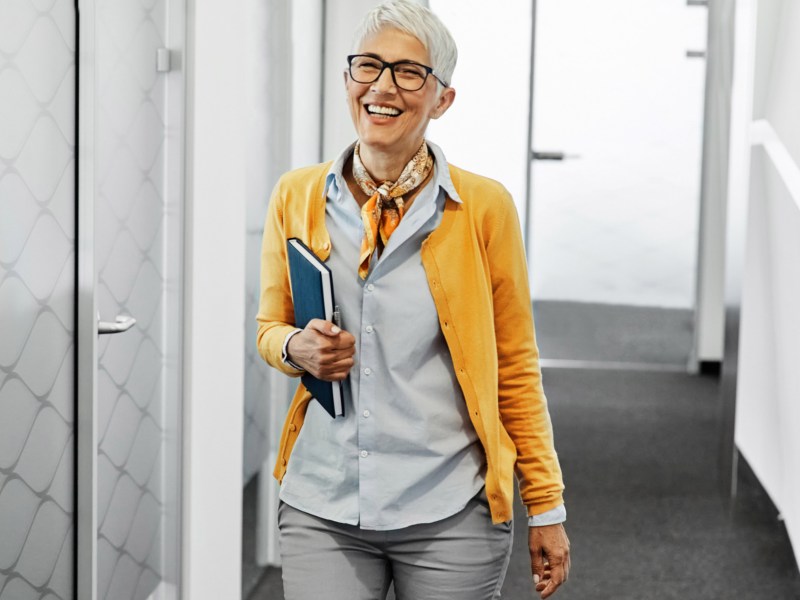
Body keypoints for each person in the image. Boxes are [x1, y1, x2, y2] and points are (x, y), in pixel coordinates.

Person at [256, 2, 570, 598]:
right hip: (324, 501)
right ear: (348, 81)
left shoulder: (482, 207)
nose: (382, 87)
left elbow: (515, 368)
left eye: (408, 73)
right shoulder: (296, 195)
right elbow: (269, 328)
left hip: (450, 503)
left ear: (442, 99)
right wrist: (297, 347)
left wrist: (546, 503)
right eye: (368, 67)